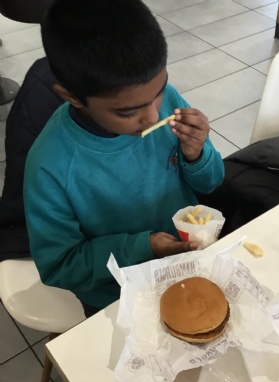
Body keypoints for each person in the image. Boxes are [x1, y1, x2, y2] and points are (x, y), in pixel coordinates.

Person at [23, 0, 224, 318]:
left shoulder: (168, 101)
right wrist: (145, 247)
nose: (154, 116)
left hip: (188, 260)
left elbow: (211, 183)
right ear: (71, 96)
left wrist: (196, 153)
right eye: (128, 112)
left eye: (159, 91)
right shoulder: (51, 166)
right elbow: (60, 266)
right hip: (117, 292)